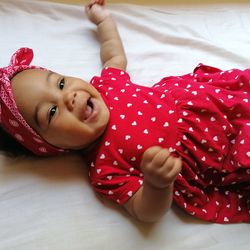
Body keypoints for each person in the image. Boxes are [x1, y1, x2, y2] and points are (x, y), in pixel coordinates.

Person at [0, 0, 249, 224]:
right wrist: (157, 185)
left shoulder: (107, 85)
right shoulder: (105, 170)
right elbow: (144, 211)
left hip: (215, 100)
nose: (69, 97)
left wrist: (103, 21)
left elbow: (113, 54)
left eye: (61, 82)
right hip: (216, 152)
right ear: (48, 146)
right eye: (52, 112)